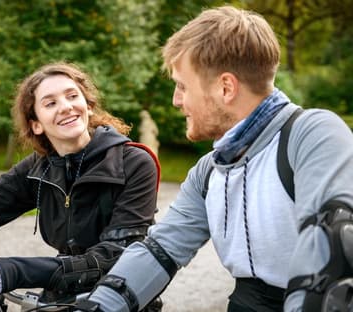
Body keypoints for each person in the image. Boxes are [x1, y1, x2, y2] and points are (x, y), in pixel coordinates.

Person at [71, 5, 353, 312]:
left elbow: (334, 242)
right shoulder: (209, 169)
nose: (176, 100)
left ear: (225, 87)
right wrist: (98, 305)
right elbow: (160, 250)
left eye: (182, 86)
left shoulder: (311, 134)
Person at [0, 62, 162, 312]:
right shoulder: (39, 167)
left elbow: (118, 255)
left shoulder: (133, 162)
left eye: (72, 96)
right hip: (61, 295)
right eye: (50, 103)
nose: (66, 107)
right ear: (36, 124)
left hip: (121, 297)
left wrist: (14, 271)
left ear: (88, 106)